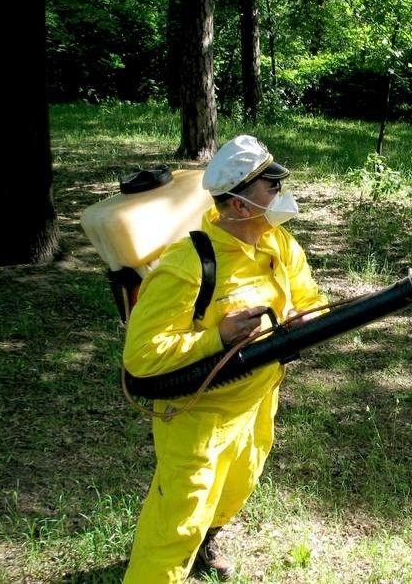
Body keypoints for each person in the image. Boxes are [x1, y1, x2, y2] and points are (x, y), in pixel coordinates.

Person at [122, 135, 327, 582]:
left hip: (258, 399)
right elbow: (141, 357)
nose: (282, 193)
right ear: (237, 206)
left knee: (238, 484)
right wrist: (218, 336)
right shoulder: (188, 265)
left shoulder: (280, 243)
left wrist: (301, 315)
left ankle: (207, 539)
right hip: (199, 416)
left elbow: (311, 297)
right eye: (271, 185)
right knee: (178, 521)